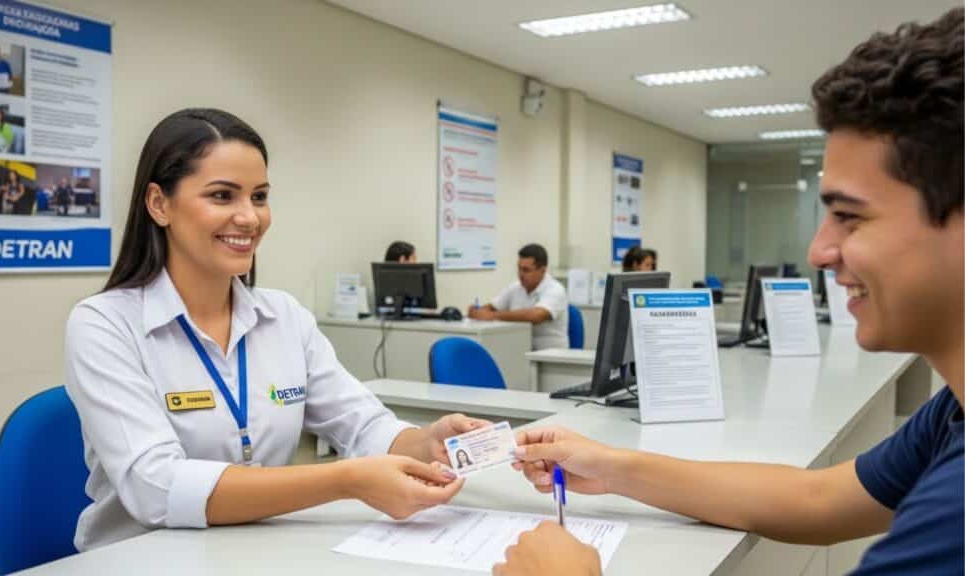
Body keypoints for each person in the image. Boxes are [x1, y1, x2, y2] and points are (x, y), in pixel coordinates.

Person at [497, 8, 963, 576]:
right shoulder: (953, 414)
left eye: (849, 217)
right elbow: (817, 500)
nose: (819, 250)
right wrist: (611, 465)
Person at [64, 108, 487, 552]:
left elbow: (363, 426)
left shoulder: (284, 317)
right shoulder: (104, 325)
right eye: (223, 196)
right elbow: (157, 488)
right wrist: (347, 479)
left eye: (260, 196)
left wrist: (424, 442)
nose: (250, 218)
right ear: (159, 204)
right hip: (138, 560)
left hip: (258, 552)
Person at [468, 243, 568, 350]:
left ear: (542, 270)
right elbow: (490, 308)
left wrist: (493, 316)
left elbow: (535, 316)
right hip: (520, 350)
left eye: (526, 270)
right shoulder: (515, 287)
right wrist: (477, 312)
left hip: (550, 355)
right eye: (519, 269)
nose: (521, 274)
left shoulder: (555, 289)